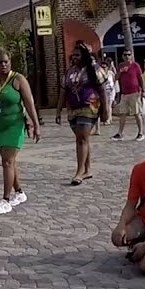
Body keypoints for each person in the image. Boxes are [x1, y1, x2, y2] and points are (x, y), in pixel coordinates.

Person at [0, 50, 42, 215]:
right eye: (0, 62)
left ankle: (5, 200)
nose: (3, 65)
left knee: (7, 162)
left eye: (6, 62)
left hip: (14, 125)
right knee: (8, 161)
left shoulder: (18, 79)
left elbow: (29, 103)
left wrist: (36, 125)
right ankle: (19, 192)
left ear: (10, 62)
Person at [57, 41, 107, 186]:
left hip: (90, 107)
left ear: (84, 55)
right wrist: (59, 110)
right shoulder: (69, 72)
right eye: (73, 55)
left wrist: (106, 110)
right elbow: (63, 91)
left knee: (81, 140)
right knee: (83, 139)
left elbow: (102, 90)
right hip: (73, 109)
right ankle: (88, 169)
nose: (74, 58)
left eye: (77, 55)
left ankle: (79, 172)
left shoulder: (94, 70)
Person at [112, 158, 145, 275]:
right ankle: (143, 241)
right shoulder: (141, 168)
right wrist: (121, 225)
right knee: (117, 237)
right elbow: (130, 206)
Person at [114, 49, 145, 141]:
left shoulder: (135, 65)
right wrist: (121, 71)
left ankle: (140, 133)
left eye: (129, 54)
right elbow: (116, 77)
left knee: (136, 113)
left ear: (131, 56)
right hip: (124, 93)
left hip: (134, 92)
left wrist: (142, 90)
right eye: (125, 55)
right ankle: (120, 133)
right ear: (123, 56)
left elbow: (140, 78)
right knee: (122, 113)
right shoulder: (120, 65)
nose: (127, 56)